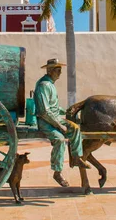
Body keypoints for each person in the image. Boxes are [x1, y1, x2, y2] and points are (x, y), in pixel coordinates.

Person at [34, 58, 90, 187]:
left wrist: (66, 111)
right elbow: (44, 111)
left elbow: (53, 107)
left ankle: (77, 157)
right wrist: (59, 126)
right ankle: (57, 172)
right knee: (59, 139)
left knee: (75, 128)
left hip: (54, 118)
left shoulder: (51, 84)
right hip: (45, 121)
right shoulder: (44, 85)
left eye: (60, 70)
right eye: (57, 70)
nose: (60, 73)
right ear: (49, 70)